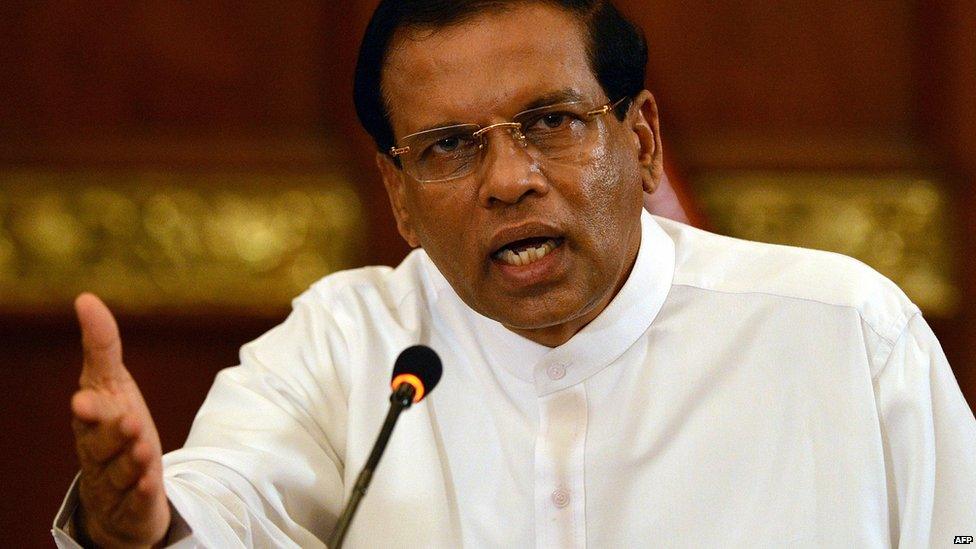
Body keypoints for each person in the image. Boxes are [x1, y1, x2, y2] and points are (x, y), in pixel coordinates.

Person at [55, 1, 976, 547]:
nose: (508, 180)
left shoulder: (846, 333)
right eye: (449, 146)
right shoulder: (352, 344)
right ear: (401, 195)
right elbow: (223, 500)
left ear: (642, 139)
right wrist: (137, 524)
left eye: (551, 122)